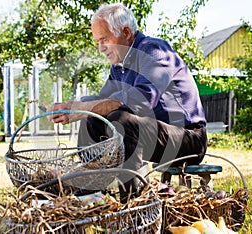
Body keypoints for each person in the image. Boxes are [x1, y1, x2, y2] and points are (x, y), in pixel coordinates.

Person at [47, 3, 207, 201]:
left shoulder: (154, 51)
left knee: (121, 120)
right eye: (98, 41)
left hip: (189, 138)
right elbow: (100, 101)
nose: (100, 48)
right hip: (157, 134)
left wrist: (82, 108)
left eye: (104, 39)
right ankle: (89, 189)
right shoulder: (119, 65)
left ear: (126, 32)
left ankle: (132, 204)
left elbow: (141, 101)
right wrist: (72, 107)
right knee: (94, 119)